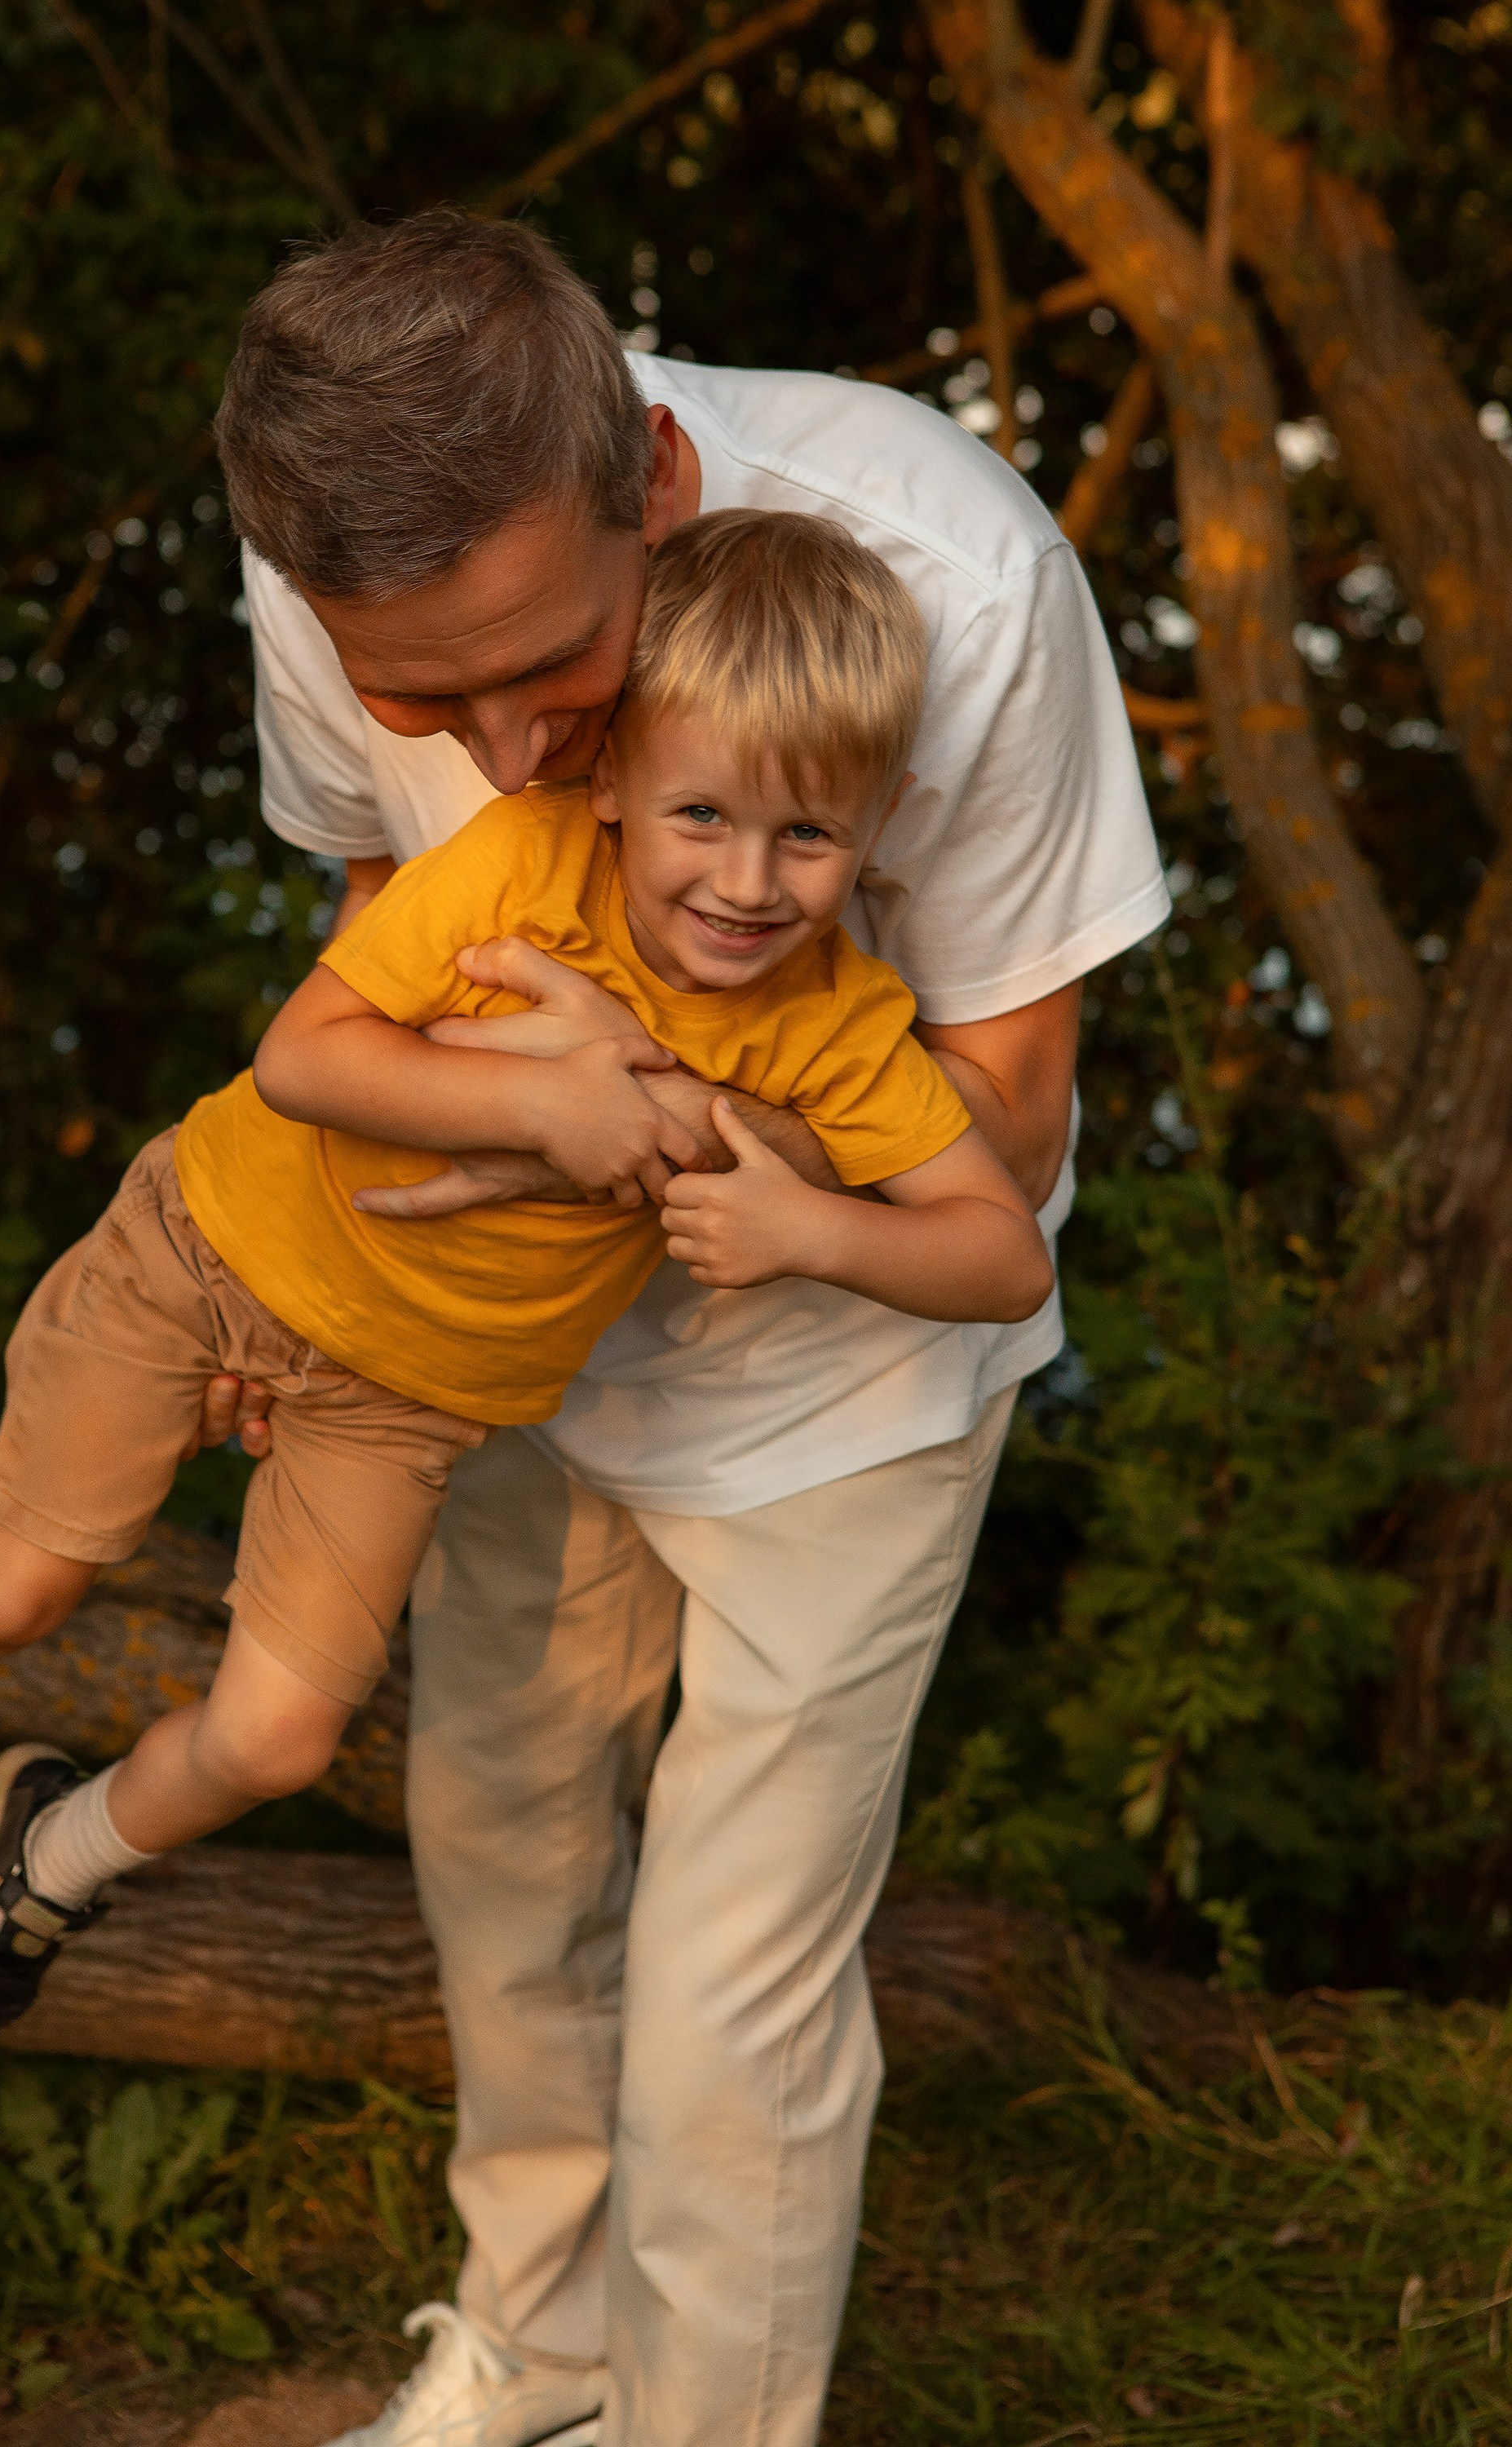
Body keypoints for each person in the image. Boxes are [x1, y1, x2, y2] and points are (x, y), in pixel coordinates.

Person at [205, 209, 1168, 2447]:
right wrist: (306, 1262)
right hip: (510, 1349)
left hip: (852, 1382)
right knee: (504, 1860)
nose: (512, 748)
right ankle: (535, 2363)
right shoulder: (327, 568)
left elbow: (1005, 1132)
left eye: (553, 665)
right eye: (430, 694)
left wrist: (613, 1125)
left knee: (734, 2000)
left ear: (654, 479)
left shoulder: (959, 575)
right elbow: (376, 932)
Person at [0, 509, 1053, 2063]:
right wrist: (552, 1106)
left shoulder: (835, 1028)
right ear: (617, 774)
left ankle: (55, 1853)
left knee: (280, 1736)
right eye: (702, 813)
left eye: (811, 837)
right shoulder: (519, 868)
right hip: (207, 1252)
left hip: (407, 1396)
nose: (750, 882)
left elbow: (1004, 1251)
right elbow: (303, 1058)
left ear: (884, 821)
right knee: (14, 1585)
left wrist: (813, 1231)